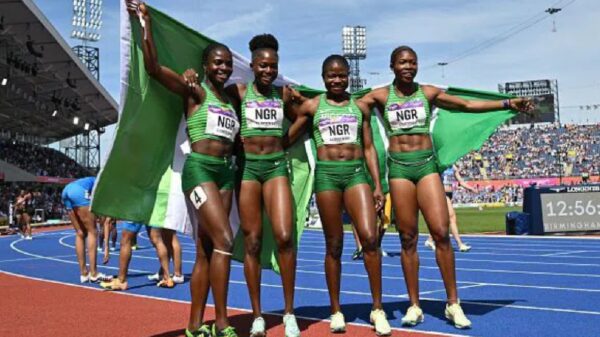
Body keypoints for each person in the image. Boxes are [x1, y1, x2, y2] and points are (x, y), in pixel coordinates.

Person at [358, 45, 533, 329]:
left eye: (413, 62)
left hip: (426, 165)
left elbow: (465, 105)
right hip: (399, 169)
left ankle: (453, 304)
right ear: (392, 66)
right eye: (402, 62)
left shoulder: (427, 93)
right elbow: (345, 104)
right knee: (407, 237)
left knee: (440, 232)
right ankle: (414, 305)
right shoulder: (379, 96)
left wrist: (506, 104)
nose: (408, 66)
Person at [127, 2, 240, 336]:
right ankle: (221, 323)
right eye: (218, 62)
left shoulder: (232, 101)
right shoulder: (195, 92)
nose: (224, 68)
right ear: (204, 66)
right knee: (224, 240)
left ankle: (193, 326)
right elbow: (153, 68)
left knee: (207, 251)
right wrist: (146, 23)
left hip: (225, 174)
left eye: (228, 64)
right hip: (199, 171)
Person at [286, 55, 391, 335]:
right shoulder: (313, 106)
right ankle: (336, 311)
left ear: (348, 77)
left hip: (356, 174)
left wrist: (378, 185)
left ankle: (377, 309)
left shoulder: (360, 108)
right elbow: (289, 137)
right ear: (323, 78)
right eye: (331, 75)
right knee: (334, 245)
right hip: (327, 176)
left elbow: (369, 148)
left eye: (341, 75)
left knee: (370, 238)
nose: (337, 79)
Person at [61, 177, 112, 283]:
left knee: (80, 233)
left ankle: (84, 274)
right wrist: (106, 247)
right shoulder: (105, 187)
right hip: (78, 191)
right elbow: (106, 221)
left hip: (67, 190)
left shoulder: (96, 180)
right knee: (92, 231)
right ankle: (94, 273)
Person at [100, 221, 174, 290]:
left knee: (126, 239)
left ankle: (121, 281)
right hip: (153, 208)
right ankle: (167, 278)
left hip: (138, 209)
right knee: (157, 239)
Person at [424, 164, 477, 252]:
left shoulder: (453, 167)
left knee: (442, 220)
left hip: (449, 194)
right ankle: (460, 244)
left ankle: (430, 240)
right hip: (441, 193)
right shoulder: (440, 165)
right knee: (452, 217)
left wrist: (471, 188)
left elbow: (461, 182)